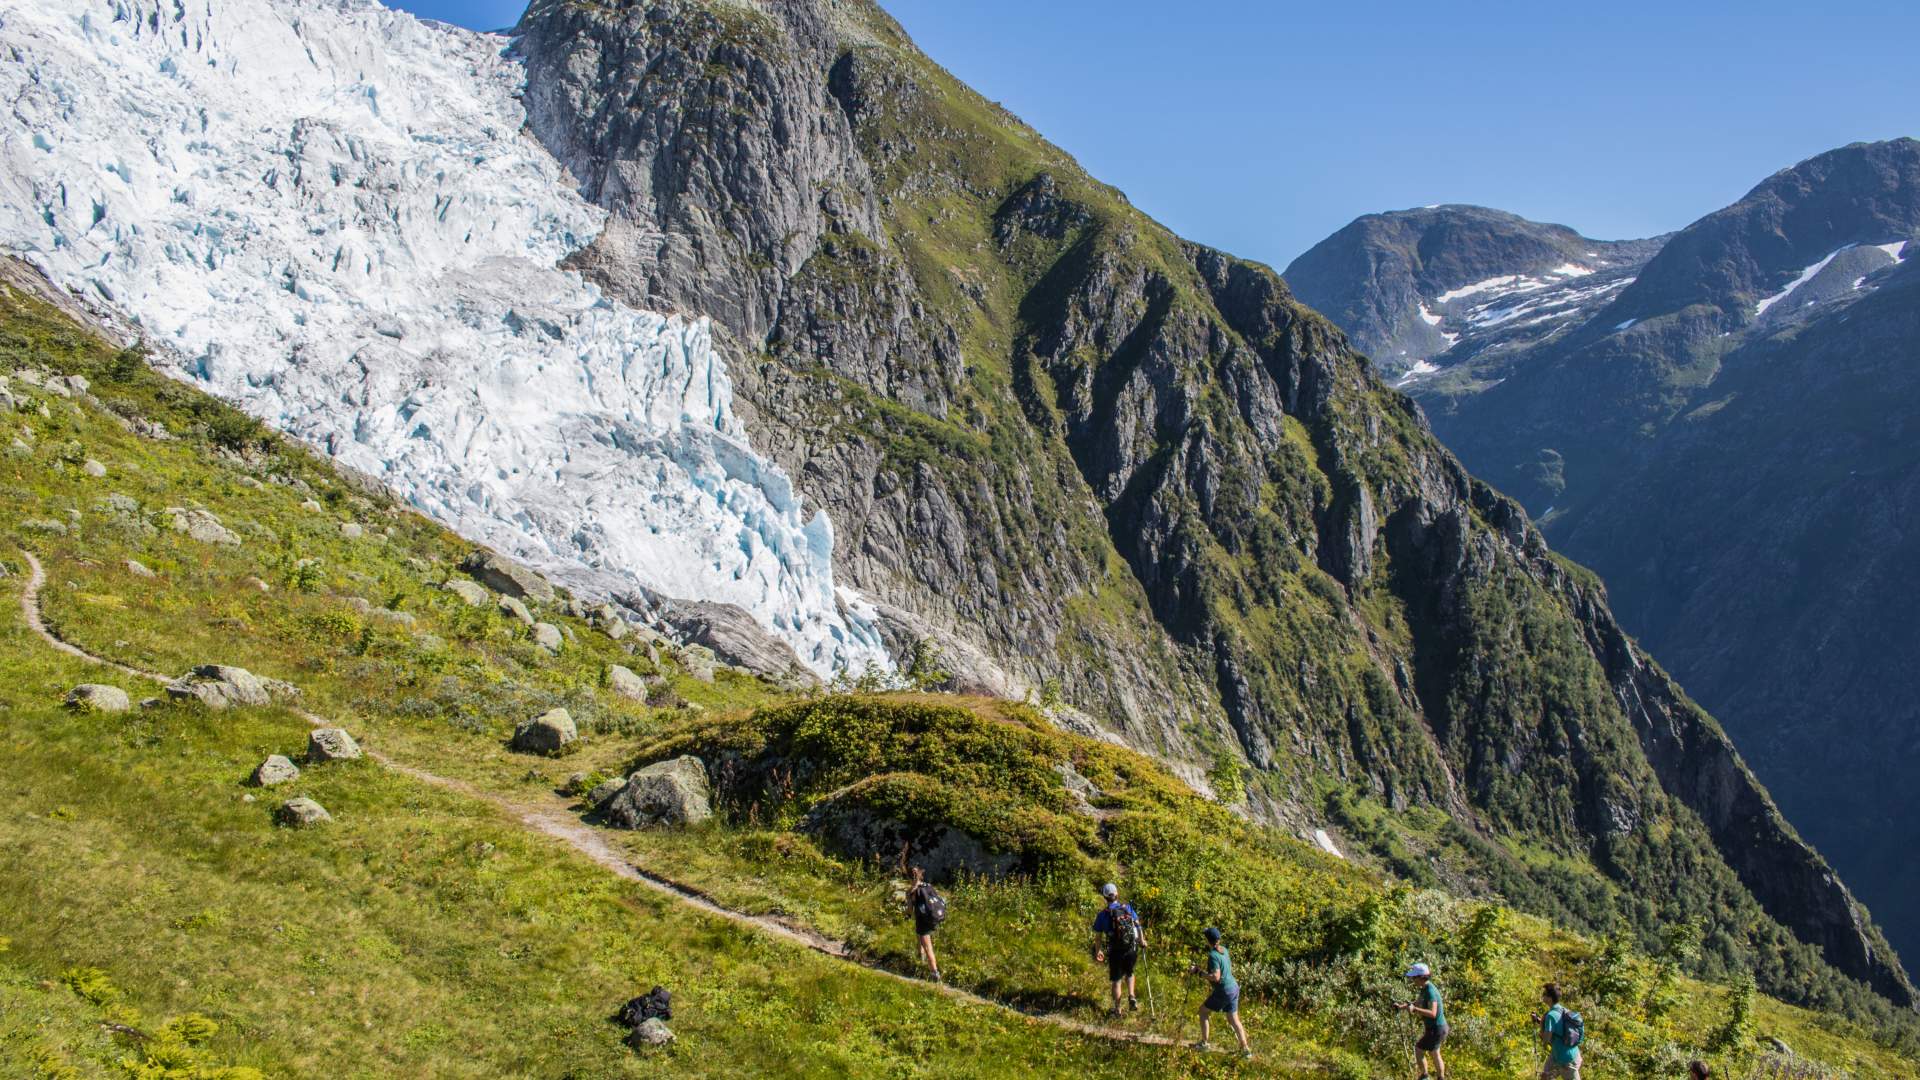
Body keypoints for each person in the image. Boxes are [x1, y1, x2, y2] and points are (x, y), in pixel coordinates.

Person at [1187, 927, 1253, 1060]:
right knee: (1233, 1019)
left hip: (1225, 990)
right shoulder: (1224, 950)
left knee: (1203, 1011)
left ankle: (1204, 1043)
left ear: (1208, 940)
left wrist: (1198, 972)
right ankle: (1245, 1050)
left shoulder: (1212, 955)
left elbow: (1216, 977)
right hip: (1234, 987)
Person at [1090, 882, 1147, 1018]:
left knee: (1116, 980)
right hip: (1131, 948)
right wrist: (1142, 940)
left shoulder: (1102, 915)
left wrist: (1098, 951)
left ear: (1105, 897)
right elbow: (1138, 926)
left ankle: (1117, 1010)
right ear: (1117, 894)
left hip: (1115, 951)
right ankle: (1132, 996)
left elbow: (1098, 937)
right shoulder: (1128, 908)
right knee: (1130, 973)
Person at [1395, 962, 1448, 1079]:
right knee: (1435, 1053)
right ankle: (1439, 1078)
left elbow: (1433, 1013)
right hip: (1438, 1028)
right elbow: (1416, 1003)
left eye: (1414, 977)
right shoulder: (1424, 989)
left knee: (1419, 1050)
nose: (1413, 980)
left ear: (1421, 977)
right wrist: (1401, 1007)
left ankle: (1425, 1076)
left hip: (1436, 1028)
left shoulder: (1430, 992)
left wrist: (1414, 1010)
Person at [1532, 982, 1581, 1078]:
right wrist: (1539, 1021)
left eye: (1544, 994)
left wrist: (1542, 1036)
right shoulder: (1562, 1010)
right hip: (1569, 1053)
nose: (1542, 996)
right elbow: (1557, 1026)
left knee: (1547, 1076)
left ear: (1550, 998)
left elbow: (1546, 1040)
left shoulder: (1550, 1015)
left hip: (1566, 1059)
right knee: (1545, 1076)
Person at [905, 866, 943, 983]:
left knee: (928, 947)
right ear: (921, 876)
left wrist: (907, 915)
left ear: (910, 878)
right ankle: (920, 957)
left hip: (923, 922)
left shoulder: (911, 892)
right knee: (920, 937)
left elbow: (910, 910)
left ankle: (934, 973)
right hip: (933, 918)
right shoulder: (928, 886)